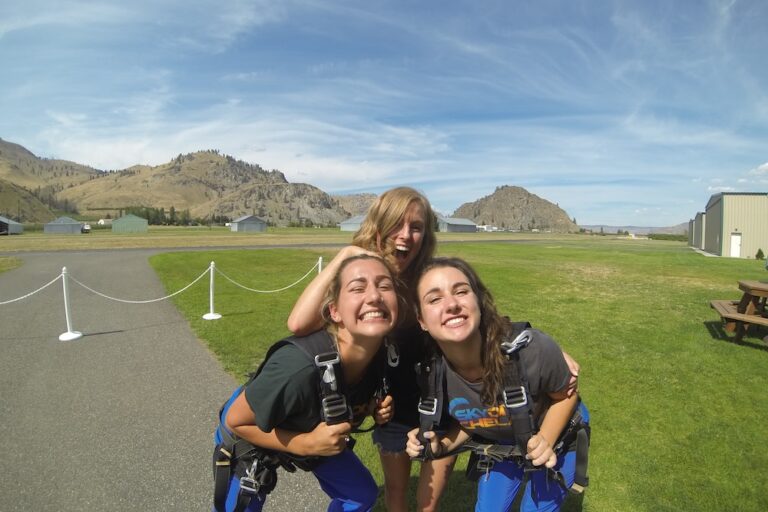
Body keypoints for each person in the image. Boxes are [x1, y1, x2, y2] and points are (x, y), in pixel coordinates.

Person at [288, 187, 457, 511]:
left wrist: (531, 342)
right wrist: (347, 254)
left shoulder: (430, 276)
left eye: (417, 227)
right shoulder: (362, 279)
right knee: (395, 493)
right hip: (390, 409)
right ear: (378, 226)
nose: (405, 235)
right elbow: (298, 323)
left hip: (437, 401)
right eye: (396, 224)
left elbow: (473, 314)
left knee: (429, 503)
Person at [213, 254, 398, 512]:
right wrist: (306, 444)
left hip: (312, 424)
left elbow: (345, 397)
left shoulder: (382, 356)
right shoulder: (297, 367)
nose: (375, 296)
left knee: (360, 494)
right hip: (254, 427)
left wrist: (371, 409)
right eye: (358, 288)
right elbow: (236, 420)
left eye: (385, 286)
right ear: (334, 311)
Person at [406, 257, 590, 512]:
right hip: (504, 438)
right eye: (434, 299)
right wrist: (442, 445)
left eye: (461, 291)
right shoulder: (432, 375)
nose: (451, 304)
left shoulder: (530, 351)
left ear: (478, 302)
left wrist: (545, 440)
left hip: (557, 430)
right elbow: (470, 419)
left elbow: (566, 395)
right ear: (422, 321)